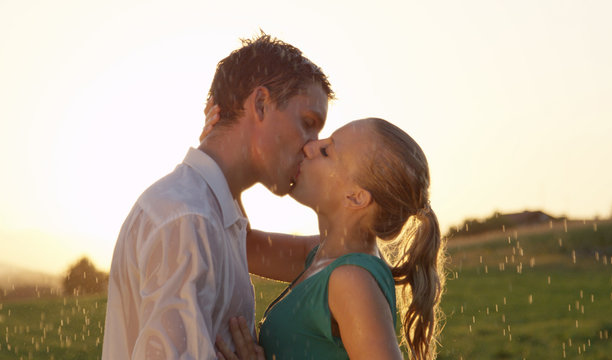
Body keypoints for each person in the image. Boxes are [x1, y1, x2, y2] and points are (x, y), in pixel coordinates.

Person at [101, 33, 333, 359]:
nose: (312, 145)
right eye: (308, 123)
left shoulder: (211, 215)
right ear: (261, 104)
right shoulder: (187, 219)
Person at [211, 117, 446, 360]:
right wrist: (230, 148)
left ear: (355, 197)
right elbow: (242, 245)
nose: (309, 146)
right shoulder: (321, 254)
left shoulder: (351, 280)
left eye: (326, 151)